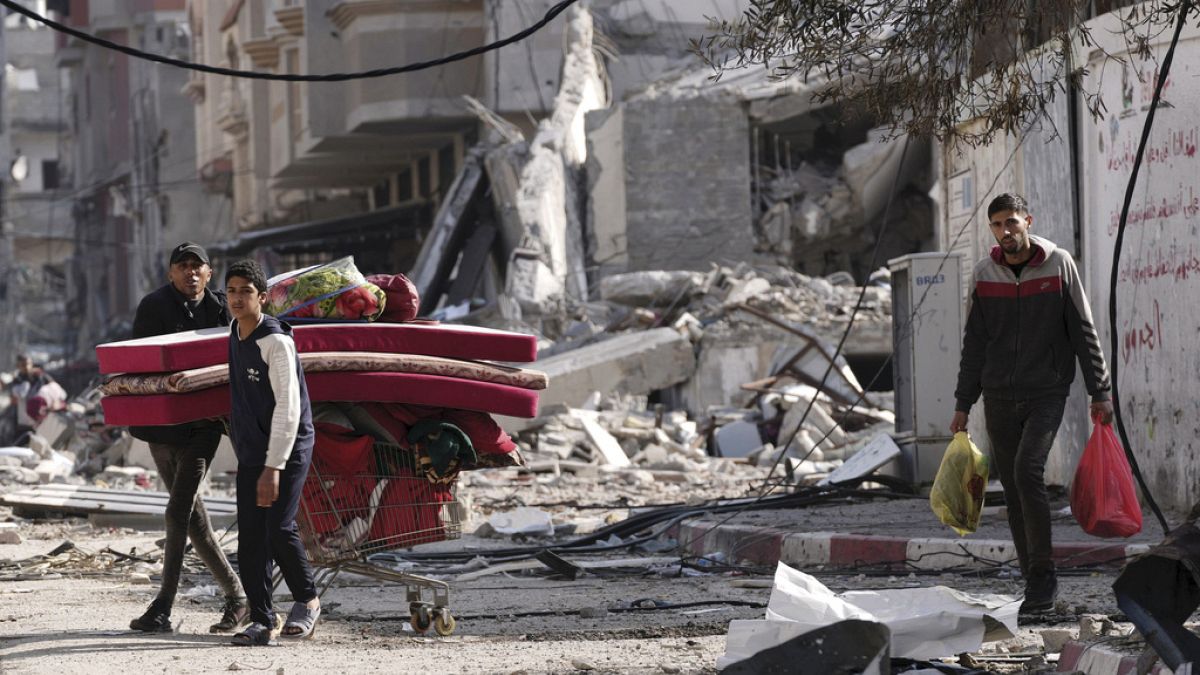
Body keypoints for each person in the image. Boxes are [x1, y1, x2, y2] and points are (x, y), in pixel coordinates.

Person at [951, 193, 1114, 615]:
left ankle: (1044, 575)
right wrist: (963, 403)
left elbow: (1083, 329)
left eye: (1011, 223)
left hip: (1047, 390)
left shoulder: (1058, 264)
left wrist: (1101, 390)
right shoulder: (985, 273)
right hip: (999, 396)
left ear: (1027, 221)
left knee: (1028, 471)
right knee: (1014, 488)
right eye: (997, 226)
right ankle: (1033, 583)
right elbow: (975, 344)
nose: (1006, 232)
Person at [129, 242, 248, 633]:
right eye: (183, 266)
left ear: (209, 274)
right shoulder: (153, 307)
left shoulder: (221, 309)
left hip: (204, 426)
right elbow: (138, 365)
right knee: (194, 521)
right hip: (162, 428)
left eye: (198, 267)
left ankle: (162, 606)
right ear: (171, 273)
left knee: (176, 511)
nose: (191, 272)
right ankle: (238, 598)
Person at [225, 259, 321, 646]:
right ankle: (263, 620)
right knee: (250, 537)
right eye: (231, 290)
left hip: (289, 446)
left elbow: (289, 409)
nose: (236, 298)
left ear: (262, 298)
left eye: (245, 291)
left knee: (278, 528)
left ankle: (308, 600)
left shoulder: (276, 341)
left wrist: (274, 467)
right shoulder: (234, 329)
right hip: (252, 449)